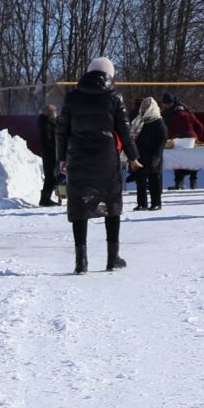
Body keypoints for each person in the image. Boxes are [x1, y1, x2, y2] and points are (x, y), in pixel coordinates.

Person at [58, 56, 138, 273]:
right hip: (106, 159)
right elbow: (125, 130)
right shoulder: (114, 97)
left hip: (78, 157)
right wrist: (133, 157)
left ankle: (80, 262)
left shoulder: (72, 97)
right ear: (109, 75)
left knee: (79, 206)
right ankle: (113, 259)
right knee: (111, 204)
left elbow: (62, 130)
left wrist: (62, 158)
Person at [130, 97, 166, 211]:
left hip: (154, 155)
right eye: (143, 107)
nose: (144, 109)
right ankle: (142, 203)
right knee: (140, 180)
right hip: (141, 154)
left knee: (154, 179)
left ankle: (156, 202)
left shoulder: (158, 122)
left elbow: (162, 139)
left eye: (147, 107)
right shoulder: (139, 121)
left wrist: (156, 156)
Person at [165, 97, 204, 190]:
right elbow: (200, 126)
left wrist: (170, 138)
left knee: (178, 160)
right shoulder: (190, 114)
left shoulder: (172, 116)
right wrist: (199, 137)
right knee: (192, 160)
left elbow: (169, 129)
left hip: (177, 139)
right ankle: (193, 181)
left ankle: (178, 183)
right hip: (191, 139)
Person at [38, 104, 61, 206]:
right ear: (51, 114)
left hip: (51, 152)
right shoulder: (47, 124)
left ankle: (46, 198)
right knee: (50, 177)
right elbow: (48, 140)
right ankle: (44, 199)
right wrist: (55, 148)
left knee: (52, 177)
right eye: (55, 112)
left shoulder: (49, 123)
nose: (57, 114)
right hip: (50, 153)